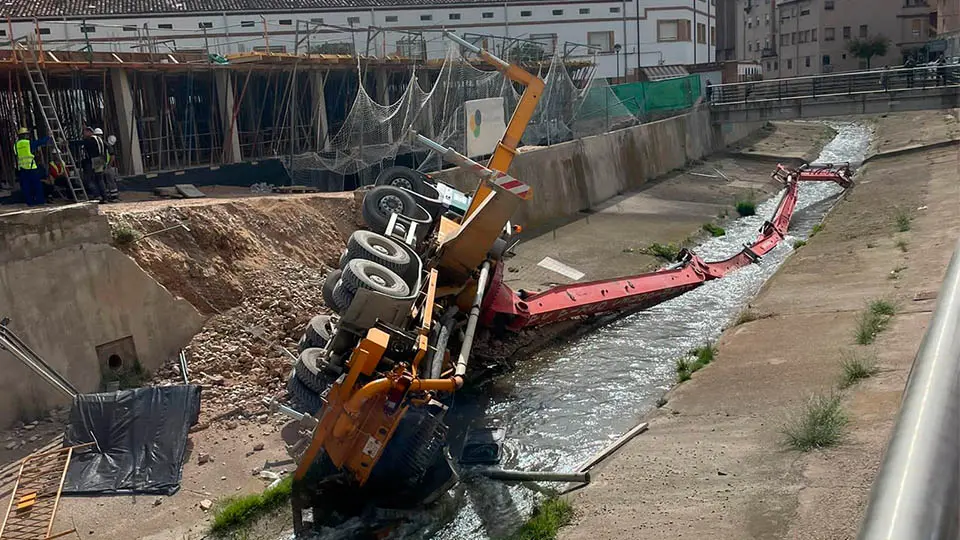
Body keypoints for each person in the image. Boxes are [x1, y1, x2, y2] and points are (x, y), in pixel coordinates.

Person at [14, 127, 51, 206]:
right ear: (25, 135)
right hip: (31, 168)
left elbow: (17, 155)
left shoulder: (16, 145)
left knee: (26, 187)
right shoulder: (28, 143)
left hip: (22, 169)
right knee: (37, 185)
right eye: (27, 134)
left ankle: (30, 202)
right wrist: (48, 137)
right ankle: (40, 201)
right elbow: (40, 142)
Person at [81, 126, 107, 203]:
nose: (84, 134)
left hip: (94, 160)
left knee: (88, 179)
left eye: (85, 132)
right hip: (101, 159)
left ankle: (97, 195)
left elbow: (84, 145)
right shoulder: (99, 139)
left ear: (89, 132)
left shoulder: (91, 140)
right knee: (100, 179)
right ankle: (104, 197)